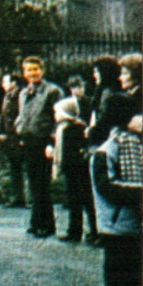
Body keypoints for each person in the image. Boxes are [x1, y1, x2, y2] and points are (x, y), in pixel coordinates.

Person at [90, 98, 143, 286]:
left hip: (135, 224)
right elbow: (106, 188)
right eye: (138, 114)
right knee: (117, 279)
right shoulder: (107, 150)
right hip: (117, 226)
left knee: (138, 279)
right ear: (124, 118)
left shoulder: (136, 146)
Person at [15, 56, 62, 238]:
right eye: (28, 70)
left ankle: (47, 224)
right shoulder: (23, 93)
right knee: (34, 183)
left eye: (35, 69)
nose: (32, 73)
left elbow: (57, 119)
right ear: (24, 73)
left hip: (43, 142)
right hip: (28, 141)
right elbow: (22, 115)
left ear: (42, 70)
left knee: (42, 184)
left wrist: (52, 142)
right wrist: (20, 131)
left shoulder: (52, 91)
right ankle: (36, 221)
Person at [50, 97, 97, 244]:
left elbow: (75, 150)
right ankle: (75, 230)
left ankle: (92, 231)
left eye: (58, 112)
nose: (55, 115)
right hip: (71, 169)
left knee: (84, 200)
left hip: (77, 169)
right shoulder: (62, 129)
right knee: (74, 201)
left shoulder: (74, 129)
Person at [0, 73, 26, 207]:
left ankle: (25, 197)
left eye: (5, 81)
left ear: (14, 83)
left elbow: (22, 117)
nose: (3, 84)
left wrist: (21, 136)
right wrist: (0, 133)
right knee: (14, 167)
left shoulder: (21, 96)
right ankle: (17, 197)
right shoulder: (7, 96)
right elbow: (3, 117)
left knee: (22, 167)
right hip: (10, 138)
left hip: (19, 137)